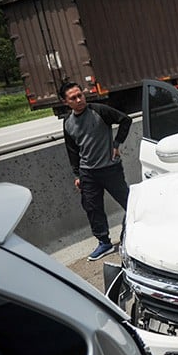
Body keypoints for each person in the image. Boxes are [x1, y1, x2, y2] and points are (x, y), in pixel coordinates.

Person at [60, 82, 132, 261]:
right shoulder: (68, 123)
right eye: (73, 98)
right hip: (88, 173)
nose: (79, 100)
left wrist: (116, 144)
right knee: (93, 208)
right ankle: (104, 243)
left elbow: (125, 120)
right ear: (65, 102)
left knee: (129, 201)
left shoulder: (99, 110)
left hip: (110, 168)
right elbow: (72, 150)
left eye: (80, 95)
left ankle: (142, 231)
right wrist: (77, 174)